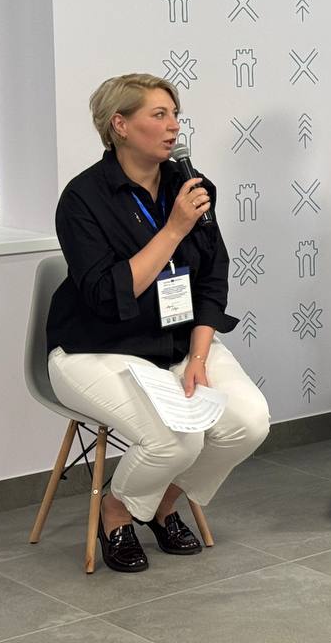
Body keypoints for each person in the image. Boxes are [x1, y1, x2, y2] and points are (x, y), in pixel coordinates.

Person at [47, 74, 270, 573]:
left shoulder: (189, 186)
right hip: (96, 347)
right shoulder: (83, 198)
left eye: (176, 115)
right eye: (159, 115)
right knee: (176, 439)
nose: (174, 127)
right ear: (120, 125)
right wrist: (173, 229)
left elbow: (213, 277)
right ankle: (116, 511)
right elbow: (106, 296)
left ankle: (160, 505)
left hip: (175, 342)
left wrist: (199, 356)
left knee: (248, 423)